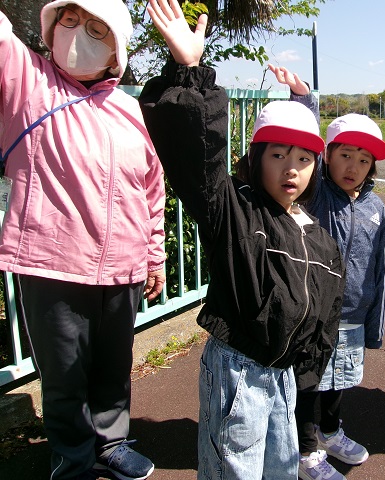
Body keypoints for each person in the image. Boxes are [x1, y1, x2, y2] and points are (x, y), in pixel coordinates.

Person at [138, 1, 344, 479]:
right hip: (239, 372)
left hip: (284, 376)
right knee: (234, 471)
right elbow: (199, 155)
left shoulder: (318, 236)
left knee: (280, 470)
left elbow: (326, 312)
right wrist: (190, 71)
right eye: (278, 155)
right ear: (256, 158)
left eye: (304, 159)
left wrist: (308, 373)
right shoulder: (235, 209)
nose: (291, 168)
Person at [0, 0, 166, 479]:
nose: (77, 33)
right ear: (51, 29)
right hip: (51, 263)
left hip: (124, 265)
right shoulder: (28, 82)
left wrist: (153, 255)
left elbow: (151, 187)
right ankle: (71, 458)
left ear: (117, 52)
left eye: (96, 28)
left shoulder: (130, 109)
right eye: (69, 20)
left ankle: (111, 442)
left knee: (113, 366)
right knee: (64, 374)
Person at [268, 65, 385, 480]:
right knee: (308, 383)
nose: (353, 166)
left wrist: (374, 321)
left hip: (353, 314)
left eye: (364, 159)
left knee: (339, 380)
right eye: (345, 155)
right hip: (314, 314)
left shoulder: (376, 207)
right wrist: (304, 99)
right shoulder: (317, 191)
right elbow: (306, 142)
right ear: (327, 157)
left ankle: (331, 431)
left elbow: (380, 267)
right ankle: (304, 452)